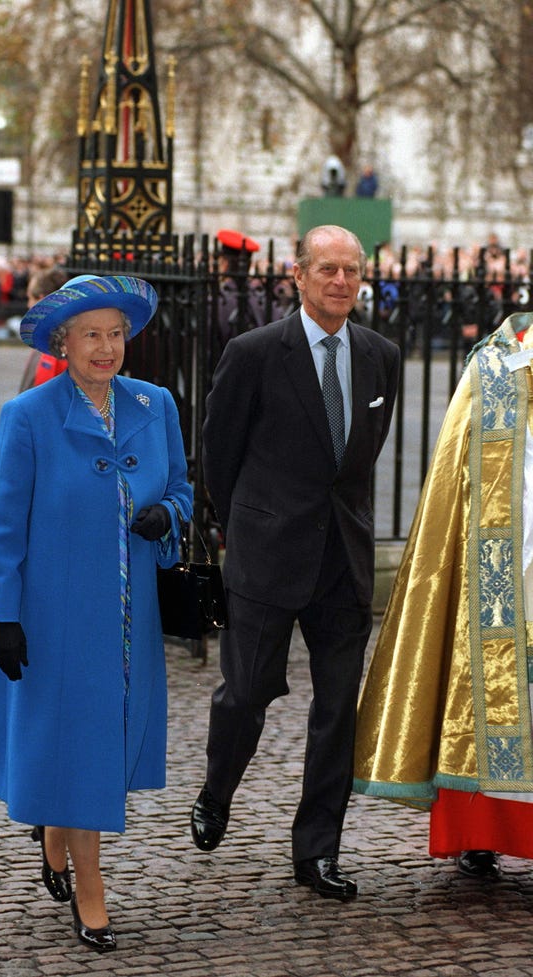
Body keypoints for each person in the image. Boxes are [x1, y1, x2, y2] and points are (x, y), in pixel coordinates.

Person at [0, 274, 193, 952]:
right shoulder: (29, 416)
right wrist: (2, 614)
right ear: (63, 343)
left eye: (116, 334)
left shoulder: (156, 405)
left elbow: (182, 489)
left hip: (132, 614)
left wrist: (168, 515)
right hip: (53, 614)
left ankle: (56, 842)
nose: (106, 348)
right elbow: (3, 524)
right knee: (82, 746)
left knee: (87, 743)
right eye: (91, 334)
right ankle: (91, 892)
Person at [190, 224, 400, 900]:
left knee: (339, 710)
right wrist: (247, 526)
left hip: (343, 561)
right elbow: (218, 455)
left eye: (350, 270)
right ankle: (217, 788)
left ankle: (316, 852)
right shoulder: (254, 352)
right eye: (326, 269)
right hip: (267, 557)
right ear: (299, 277)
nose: (340, 280)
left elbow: (359, 459)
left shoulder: (382, 356)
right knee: (247, 693)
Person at [354, 311, 533, 880]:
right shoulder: (494, 365)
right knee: (488, 688)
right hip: (508, 556)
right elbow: (457, 479)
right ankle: (481, 831)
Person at [18, 265, 70, 391]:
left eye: (30, 298)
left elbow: (39, 393)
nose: (28, 304)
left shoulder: (51, 342)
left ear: (41, 299)